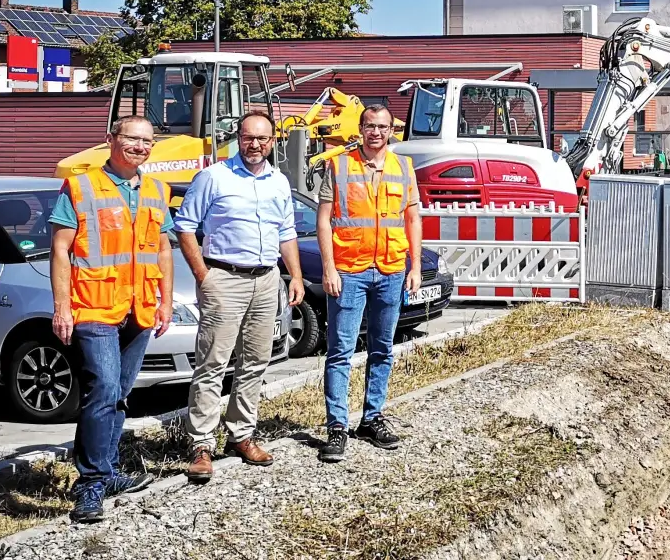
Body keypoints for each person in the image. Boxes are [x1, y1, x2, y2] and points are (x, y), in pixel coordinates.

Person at [48, 116, 175, 523]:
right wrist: (62, 306)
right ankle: (90, 484)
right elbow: (60, 250)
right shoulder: (82, 187)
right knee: (102, 388)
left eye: (147, 141)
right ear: (111, 140)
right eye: (132, 139)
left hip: (139, 308)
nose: (140, 147)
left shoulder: (156, 189)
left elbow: (163, 251)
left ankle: (107, 470)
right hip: (93, 306)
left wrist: (165, 302)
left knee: (118, 392)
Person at [175, 111, 305, 483]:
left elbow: (287, 231)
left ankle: (242, 434)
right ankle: (201, 444)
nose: (255, 145)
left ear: (273, 141)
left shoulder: (279, 181)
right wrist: (204, 276)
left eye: (263, 139)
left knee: (255, 362)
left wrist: (294, 275)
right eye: (249, 138)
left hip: (265, 280)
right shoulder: (214, 177)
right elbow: (184, 226)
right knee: (212, 364)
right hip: (224, 278)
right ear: (238, 138)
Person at [316, 104, 423, 462]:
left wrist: (415, 267)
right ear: (359, 129)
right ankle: (336, 426)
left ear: (391, 130)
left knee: (383, 349)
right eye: (369, 126)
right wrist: (328, 268)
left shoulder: (403, 167)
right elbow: (324, 220)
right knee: (340, 352)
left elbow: (412, 219)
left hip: (391, 269)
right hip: (349, 270)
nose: (375, 132)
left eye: (382, 127)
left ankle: (372, 417)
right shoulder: (339, 165)